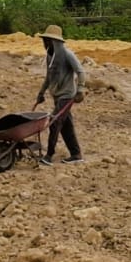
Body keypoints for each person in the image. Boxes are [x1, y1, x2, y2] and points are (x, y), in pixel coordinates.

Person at [34, 24, 85, 165]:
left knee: (54, 122)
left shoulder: (68, 55)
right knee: (66, 126)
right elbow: (48, 77)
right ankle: (76, 154)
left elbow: (81, 71)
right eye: (44, 41)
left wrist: (80, 89)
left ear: (55, 42)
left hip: (67, 95)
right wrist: (41, 92)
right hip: (56, 95)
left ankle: (49, 155)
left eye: (47, 41)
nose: (45, 44)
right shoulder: (50, 56)